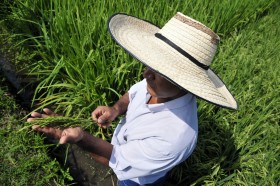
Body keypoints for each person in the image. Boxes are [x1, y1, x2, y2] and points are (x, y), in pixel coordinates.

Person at [27, 12, 237, 186]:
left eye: (160, 71)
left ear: (185, 83)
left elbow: (116, 158)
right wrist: (115, 109)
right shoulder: (156, 85)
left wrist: (81, 138)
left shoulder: (175, 137)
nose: (146, 74)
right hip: (128, 150)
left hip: (137, 180)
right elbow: (133, 93)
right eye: (149, 64)